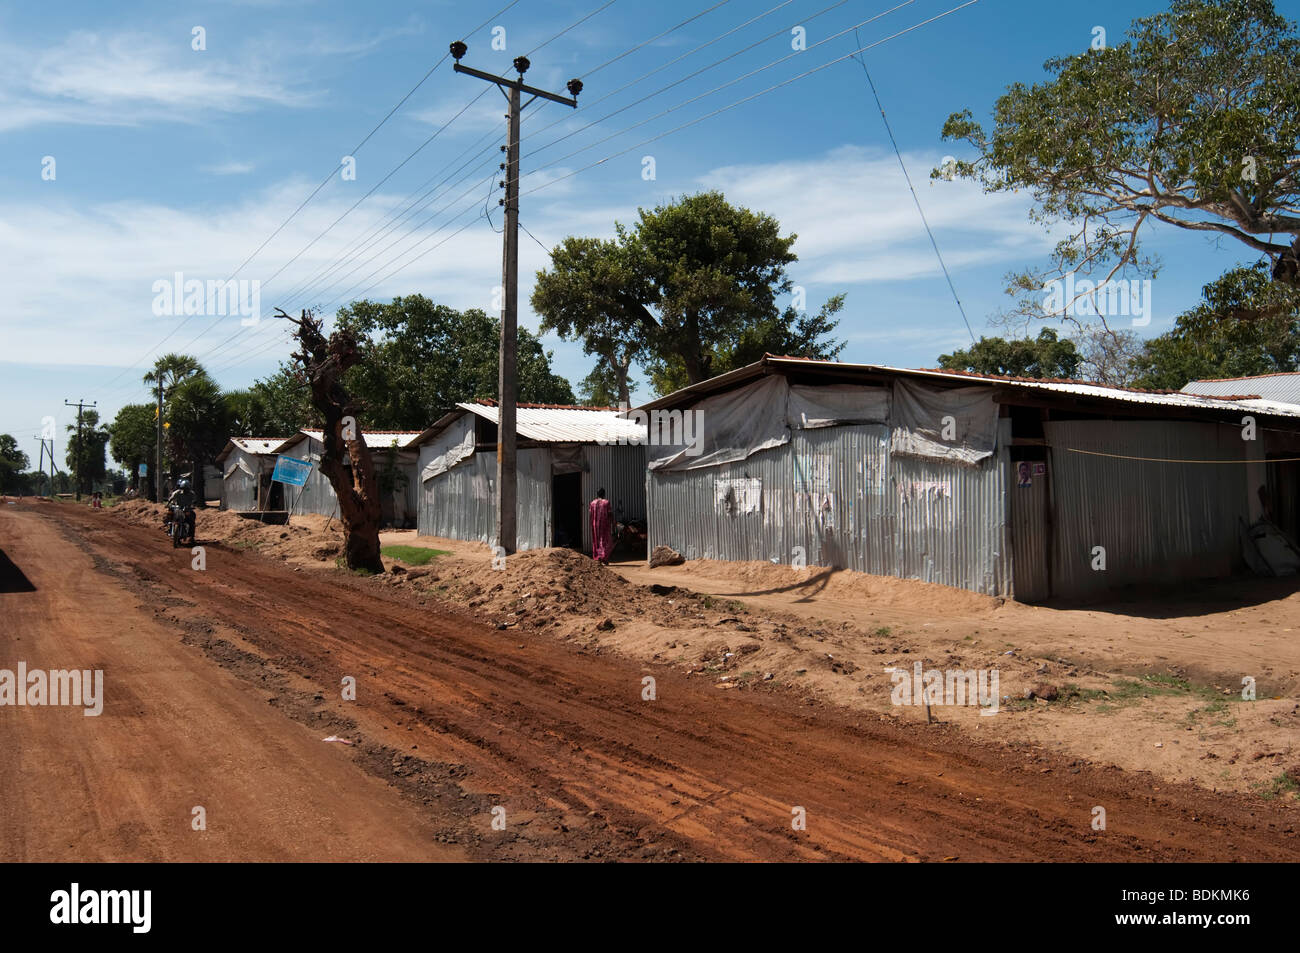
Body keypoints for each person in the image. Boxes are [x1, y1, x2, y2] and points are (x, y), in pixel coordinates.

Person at [589, 487, 613, 565]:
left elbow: (590, 515)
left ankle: (599, 557)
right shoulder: (606, 502)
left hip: (595, 525)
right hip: (604, 525)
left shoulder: (592, 503)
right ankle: (604, 558)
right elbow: (610, 514)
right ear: (604, 494)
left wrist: (592, 524)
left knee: (597, 541)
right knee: (606, 541)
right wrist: (613, 523)